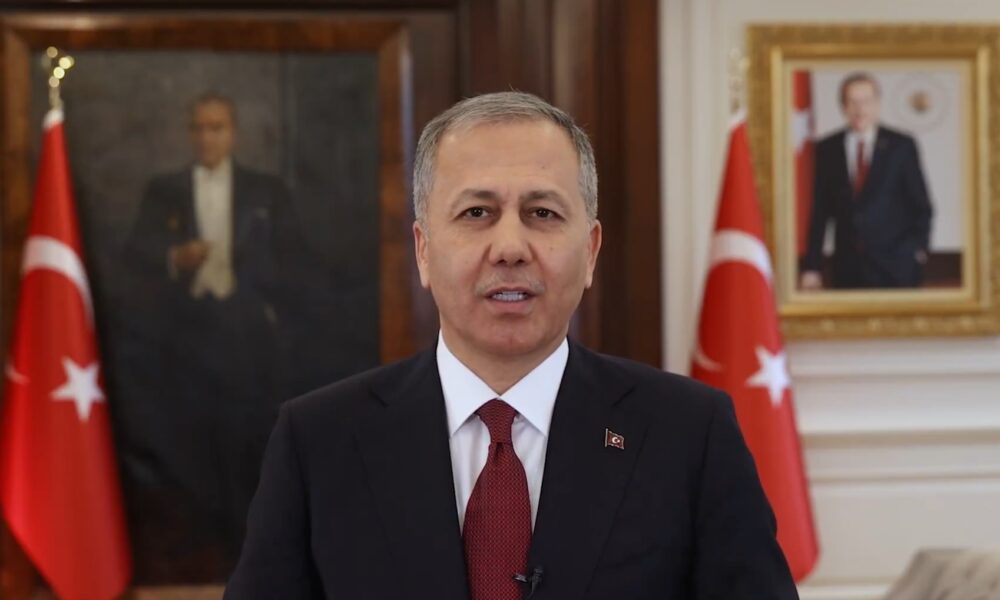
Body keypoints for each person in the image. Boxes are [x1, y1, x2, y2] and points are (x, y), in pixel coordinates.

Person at [225, 92, 798, 598]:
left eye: (541, 213)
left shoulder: (689, 433)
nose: (510, 248)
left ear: (591, 251)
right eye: (476, 212)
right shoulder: (318, 441)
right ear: (423, 250)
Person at [119, 93, 315, 581]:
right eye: (200, 128)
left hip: (247, 333)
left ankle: (246, 548)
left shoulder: (265, 190)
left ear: (233, 133)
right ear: (190, 134)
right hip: (185, 332)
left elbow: (296, 258)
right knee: (189, 438)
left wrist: (264, 297)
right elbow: (134, 254)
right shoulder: (163, 190)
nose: (207, 137)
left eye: (217, 128)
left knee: (248, 436)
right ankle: (199, 549)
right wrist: (174, 258)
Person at [801, 72, 934, 290]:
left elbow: (921, 206)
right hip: (847, 269)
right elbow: (820, 212)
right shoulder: (827, 149)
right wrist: (812, 267)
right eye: (852, 102)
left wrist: (917, 251)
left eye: (866, 101)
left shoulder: (901, 146)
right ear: (843, 106)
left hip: (897, 268)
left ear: (877, 104)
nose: (860, 109)